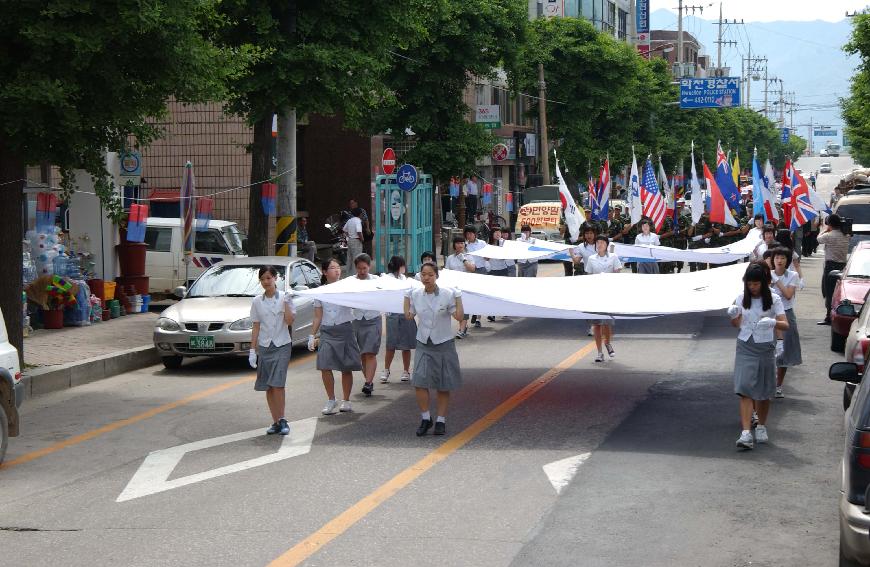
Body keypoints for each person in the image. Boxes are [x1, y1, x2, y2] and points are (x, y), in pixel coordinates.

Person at [727, 262, 788, 449]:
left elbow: (785, 324)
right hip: (745, 346)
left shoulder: (774, 299)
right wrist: (733, 316)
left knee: (763, 391)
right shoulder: (740, 298)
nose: (752, 287)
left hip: (764, 348)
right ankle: (746, 433)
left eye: (755, 284)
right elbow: (737, 324)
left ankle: (761, 425)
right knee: (744, 388)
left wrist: (773, 323)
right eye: (749, 284)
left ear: (762, 283)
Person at [404, 262, 464, 436]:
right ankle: (425, 417)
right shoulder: (416, 294)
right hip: (424, 341)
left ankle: (441, 420)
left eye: (430, 274)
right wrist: (406, 298)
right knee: (419, 381)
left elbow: (459, 316)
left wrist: (458, 297)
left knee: (443, 384)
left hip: (443, 342)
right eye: (423, 274)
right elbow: (409, 316)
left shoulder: (447, 294)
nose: (427, 278)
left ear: (436, 276)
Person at [310, 258, 362, 414]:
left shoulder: (346, 287)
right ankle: (331, 399)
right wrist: (312, 335)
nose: (337, 270)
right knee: (325, 366)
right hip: (327, 331)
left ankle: (346, 400)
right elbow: (318, 316)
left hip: (344, 329)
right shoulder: (320, 291)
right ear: (325, 272)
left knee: (346, 367)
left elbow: (358, 303)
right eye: (332, 268)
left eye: (338, 267)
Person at [249, 266, 296, 435]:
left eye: (269, 278)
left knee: (278, 383)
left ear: (275, 278)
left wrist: (287, 304)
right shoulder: (257, 301)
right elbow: (256, 326)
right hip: (265, 346)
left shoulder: (285, 297)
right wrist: (252, 350)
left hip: (282, 344)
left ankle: (283, 419)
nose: (266, 282)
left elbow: (290, 321)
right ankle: (275, 421)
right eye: (262, 279)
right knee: (268, 385)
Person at [768, 247, 802, 398]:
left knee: (784, 352)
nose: (779, 261)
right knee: (768, 349)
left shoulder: (793, 275)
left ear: (787, 260)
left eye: (782, 258)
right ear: (772, 260)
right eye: (776, 258)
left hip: (786, 314)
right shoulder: (767, 275)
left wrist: (777, 281)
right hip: (769, 314)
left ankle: (778, 385)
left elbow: (788, 295)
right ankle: (767, 382)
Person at [585, 235, 623, 362]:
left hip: (608, 294)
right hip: (595, 295)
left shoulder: (613, 257)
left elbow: (618, 274)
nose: (599, 245)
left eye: (602, 242)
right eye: (597, 243)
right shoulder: (591, 259)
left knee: (606, 323)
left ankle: (608, 343)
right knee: (596, 324)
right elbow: (588, 276)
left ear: (606, 245)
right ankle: (599, 353)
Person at [381, 256, 416, 384]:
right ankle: (386, 369)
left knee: (406, 345)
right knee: (391, 344)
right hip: (392, 314)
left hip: (405, 313)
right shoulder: (386, 278)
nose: (404, 268)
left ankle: (406, 371)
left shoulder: (405, 279)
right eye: (402, 265)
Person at [351, 254, 382, 396]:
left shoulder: (377, 281)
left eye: (364, 268)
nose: (362, 271)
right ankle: (368, 380)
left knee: (370, 352)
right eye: (359, 268)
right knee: (362, 353)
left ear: (369, 267)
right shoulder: (350, 281)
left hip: (373, 318)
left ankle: (368, 382)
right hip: (357, 319)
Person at [817, 214, 850, 325]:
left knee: (829, 292)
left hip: (831, 266)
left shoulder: (829, 235)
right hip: (843, 266)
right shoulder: (846, 235)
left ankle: (828, 316)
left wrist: (825, 230)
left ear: (829, 224)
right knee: (840, 292)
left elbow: (818, 239)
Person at [445, 236, 476, 338]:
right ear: (454, 245)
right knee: (455, 307)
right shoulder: (450, 258)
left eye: (462, 243)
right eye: (458, 243)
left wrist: (463, 259)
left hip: (465, 286)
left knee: (464, 307)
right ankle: (463, 326)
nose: (460, 245)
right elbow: (447, 272)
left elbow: (472, 269)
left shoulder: (469, 256)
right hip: (453, 286)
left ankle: (462, 329)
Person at [463, 225, 487, 328]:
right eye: (467, 234)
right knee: (470, 294)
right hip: (469, 272)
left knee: (480, 294)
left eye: (470, 233)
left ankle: (478, 318)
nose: (469, 236)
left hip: (481, 269)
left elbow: (487, 256)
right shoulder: (464, 245)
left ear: (475, 234)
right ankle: (472, 313)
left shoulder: (482, 243)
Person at [343, 209, 364, 276]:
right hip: (356, 240)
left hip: (350, 240)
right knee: (356, 258)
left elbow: (344, 229)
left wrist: (349, 236)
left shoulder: (349, 220)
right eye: (362, 214)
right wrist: (362, 239)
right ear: (360, 214)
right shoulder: (358, 221)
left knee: (349, 258)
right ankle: (354, 275)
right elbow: (359, 231)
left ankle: (348, 274)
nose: (362, 215)